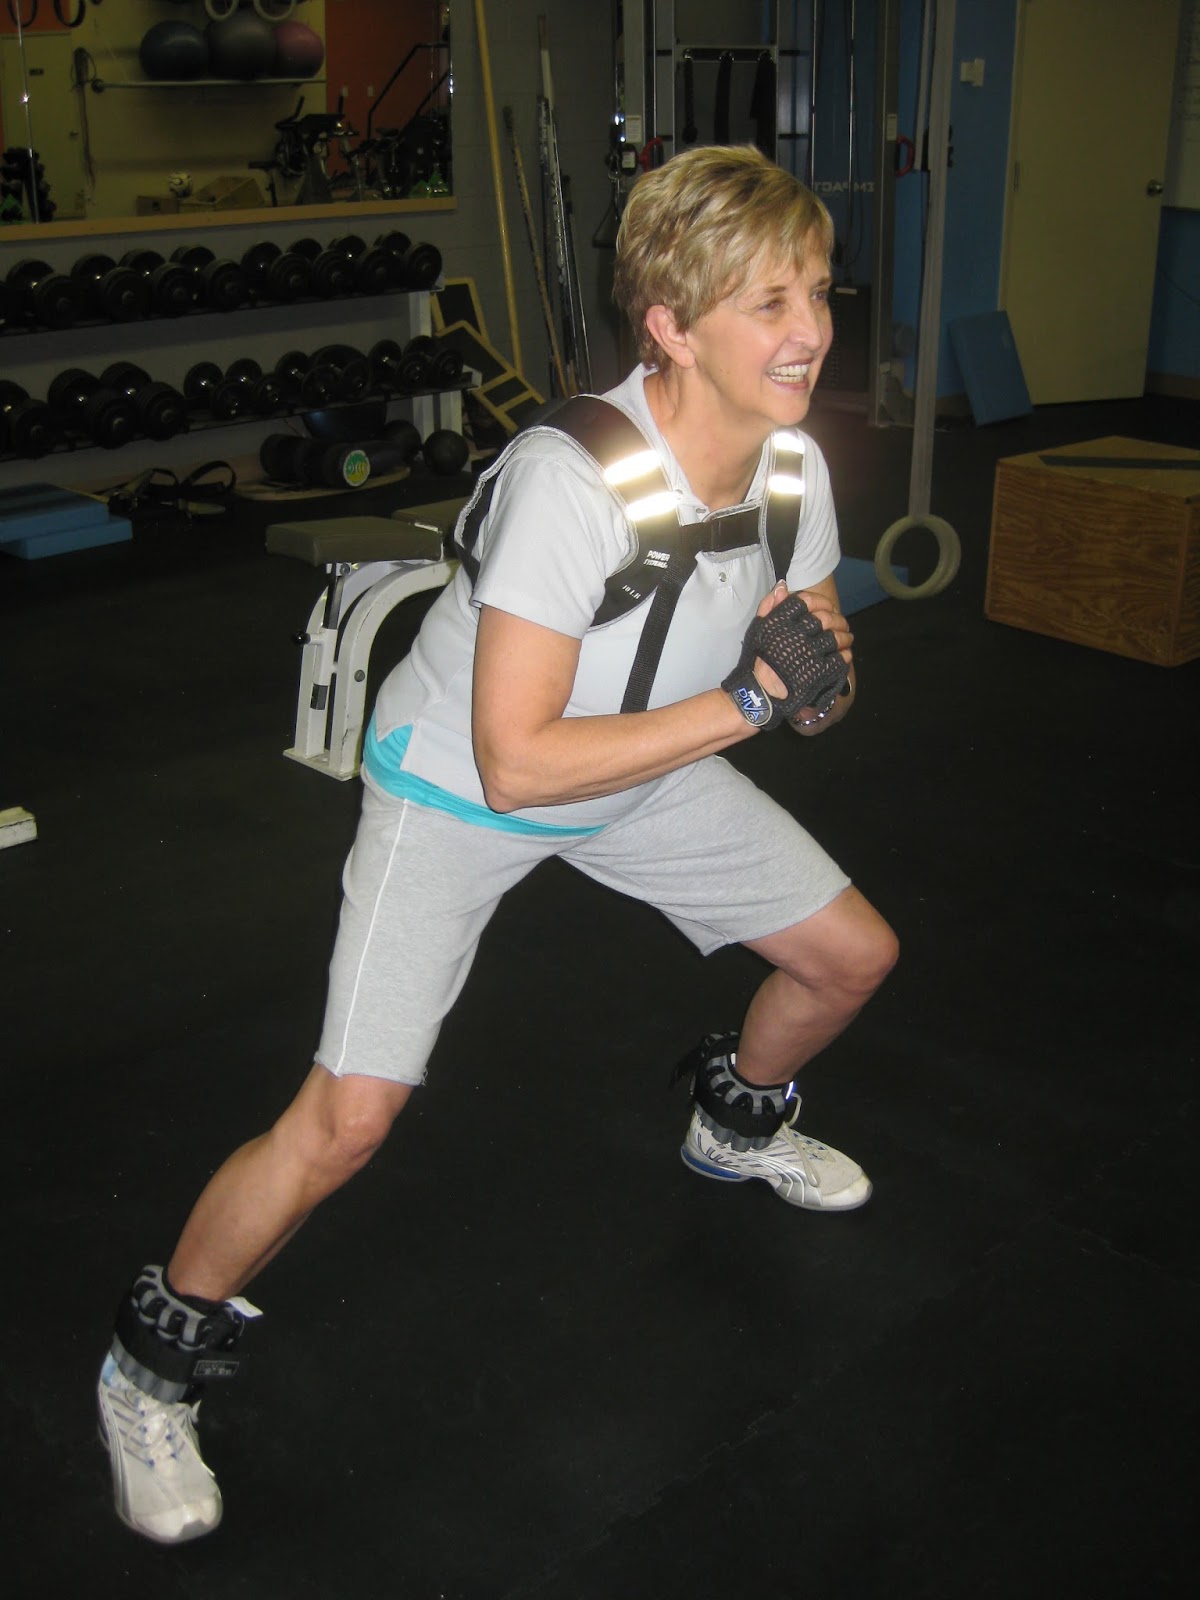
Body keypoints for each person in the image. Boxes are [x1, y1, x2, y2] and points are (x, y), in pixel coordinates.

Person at [97, 144, 899, 1545]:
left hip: (652, 774)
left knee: (851, 959)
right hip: (461, 796)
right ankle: (145, 1369)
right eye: (770, 302)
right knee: (346, 1123)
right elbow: (521, 763)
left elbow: (810, 655)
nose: (810, 331)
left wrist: (813, 683)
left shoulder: (791, 466)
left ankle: (734, 1123)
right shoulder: (569, 481)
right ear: (671, 324)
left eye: (818, 292)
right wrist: (751, 701)